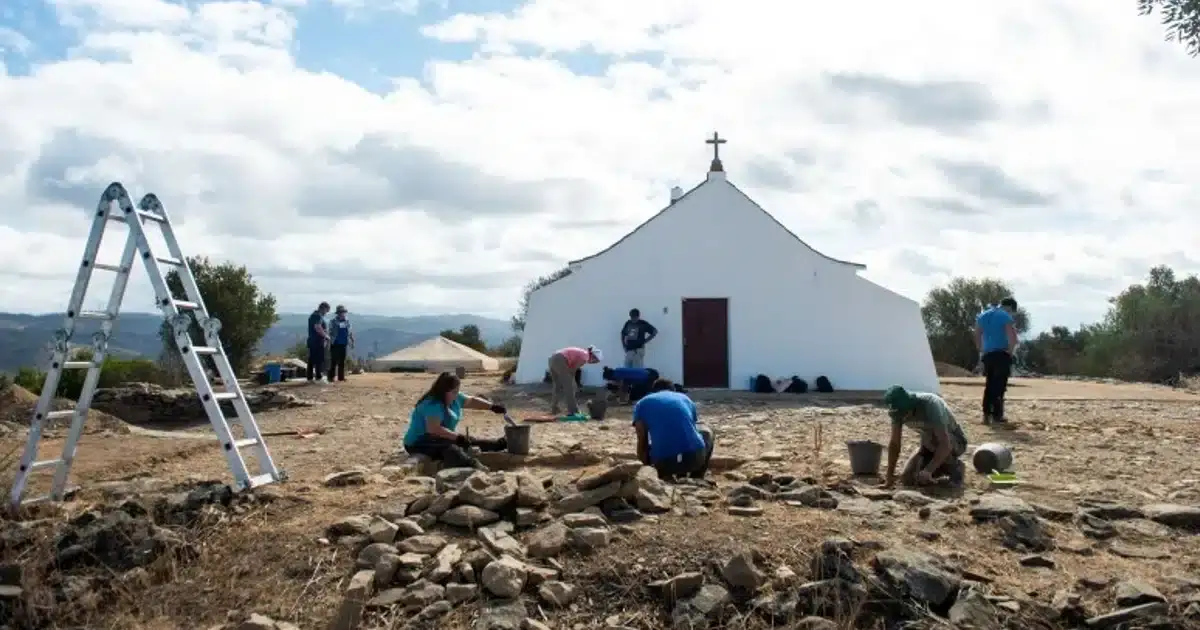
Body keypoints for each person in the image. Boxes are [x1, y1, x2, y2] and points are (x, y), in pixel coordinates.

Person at [404, 372, 509, 469]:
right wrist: (457, 437)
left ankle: (501, 444)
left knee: (471, 441)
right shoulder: (433, 404)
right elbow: (433, 429)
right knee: (451, 449)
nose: (457, 394)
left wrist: (492, 407)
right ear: (444, 391)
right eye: (454, 392)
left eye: (457, 391)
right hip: (419, 442)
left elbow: (471, 401)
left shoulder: (454, 397)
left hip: (439, 438)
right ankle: (473, 465)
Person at [881, 385, 969, 488]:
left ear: (910, 406)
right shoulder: (897, 411)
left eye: (903, 414)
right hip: (928, 445)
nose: (901, 418)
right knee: (908, 478)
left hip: (954, 442)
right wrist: (889, 475)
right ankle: (940, 467)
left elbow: (945, 444)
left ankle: (956, 467)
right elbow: (895, 444)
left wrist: (928, 470)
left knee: (932, 439)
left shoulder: (930, 405)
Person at [633, 379, 715, 480]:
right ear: (673, 390)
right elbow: (691, 427)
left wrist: (646, 468)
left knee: (651, 443)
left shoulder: (642, 403)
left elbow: (642, 440)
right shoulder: (685, 398)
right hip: (695, 460)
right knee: (705, 431)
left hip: (664, 464)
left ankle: (666, 475)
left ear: (653, 391)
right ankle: (697, 477)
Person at [975, 297, 1019, 424]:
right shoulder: (1005, 316)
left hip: (988, 354)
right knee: (999, 385)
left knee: (989, 384)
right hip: (1001, 353)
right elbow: (1012, 337)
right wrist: (1010, 351)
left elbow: (977, 334)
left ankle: (986, 414)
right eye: (1012, 312)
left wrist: (981, 350)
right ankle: (997, 415)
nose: (1011, 314)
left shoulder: (983, 315)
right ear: (1010, 307)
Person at [548, 345, 602, 415]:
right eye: (595, 361)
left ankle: (554, 408)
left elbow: (571, 368)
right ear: (593, 356)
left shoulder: (582, 353)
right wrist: (572, 382)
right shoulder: (585, 357)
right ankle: (573, 411)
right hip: (560, 360)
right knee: (570, 387)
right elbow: (573, 369)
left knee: (557, 386)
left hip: (552, 359)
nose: (593, 363)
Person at [329, 305, 355, 383]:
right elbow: (330, 331)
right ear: (338, 313)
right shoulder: (333, 321)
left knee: (342, 361)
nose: (342, 314)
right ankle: (331, 377)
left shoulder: (347, 321)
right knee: (333, 361)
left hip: (343, 343)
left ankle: (341, 377)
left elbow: (349, 332)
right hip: (335, 343)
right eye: (340, 312)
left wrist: (352, 340)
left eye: (343, 312)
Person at [306, 302, 331, 383]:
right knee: (318, 359)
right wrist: (326, 336)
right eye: (326, 311)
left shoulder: (314, 315)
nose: (326, 313)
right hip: (317, 341)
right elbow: (318, 327)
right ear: (323, 308)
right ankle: (318, 377)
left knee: (312, 359)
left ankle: (310, 377)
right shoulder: (317, 316)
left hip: (313, 340)